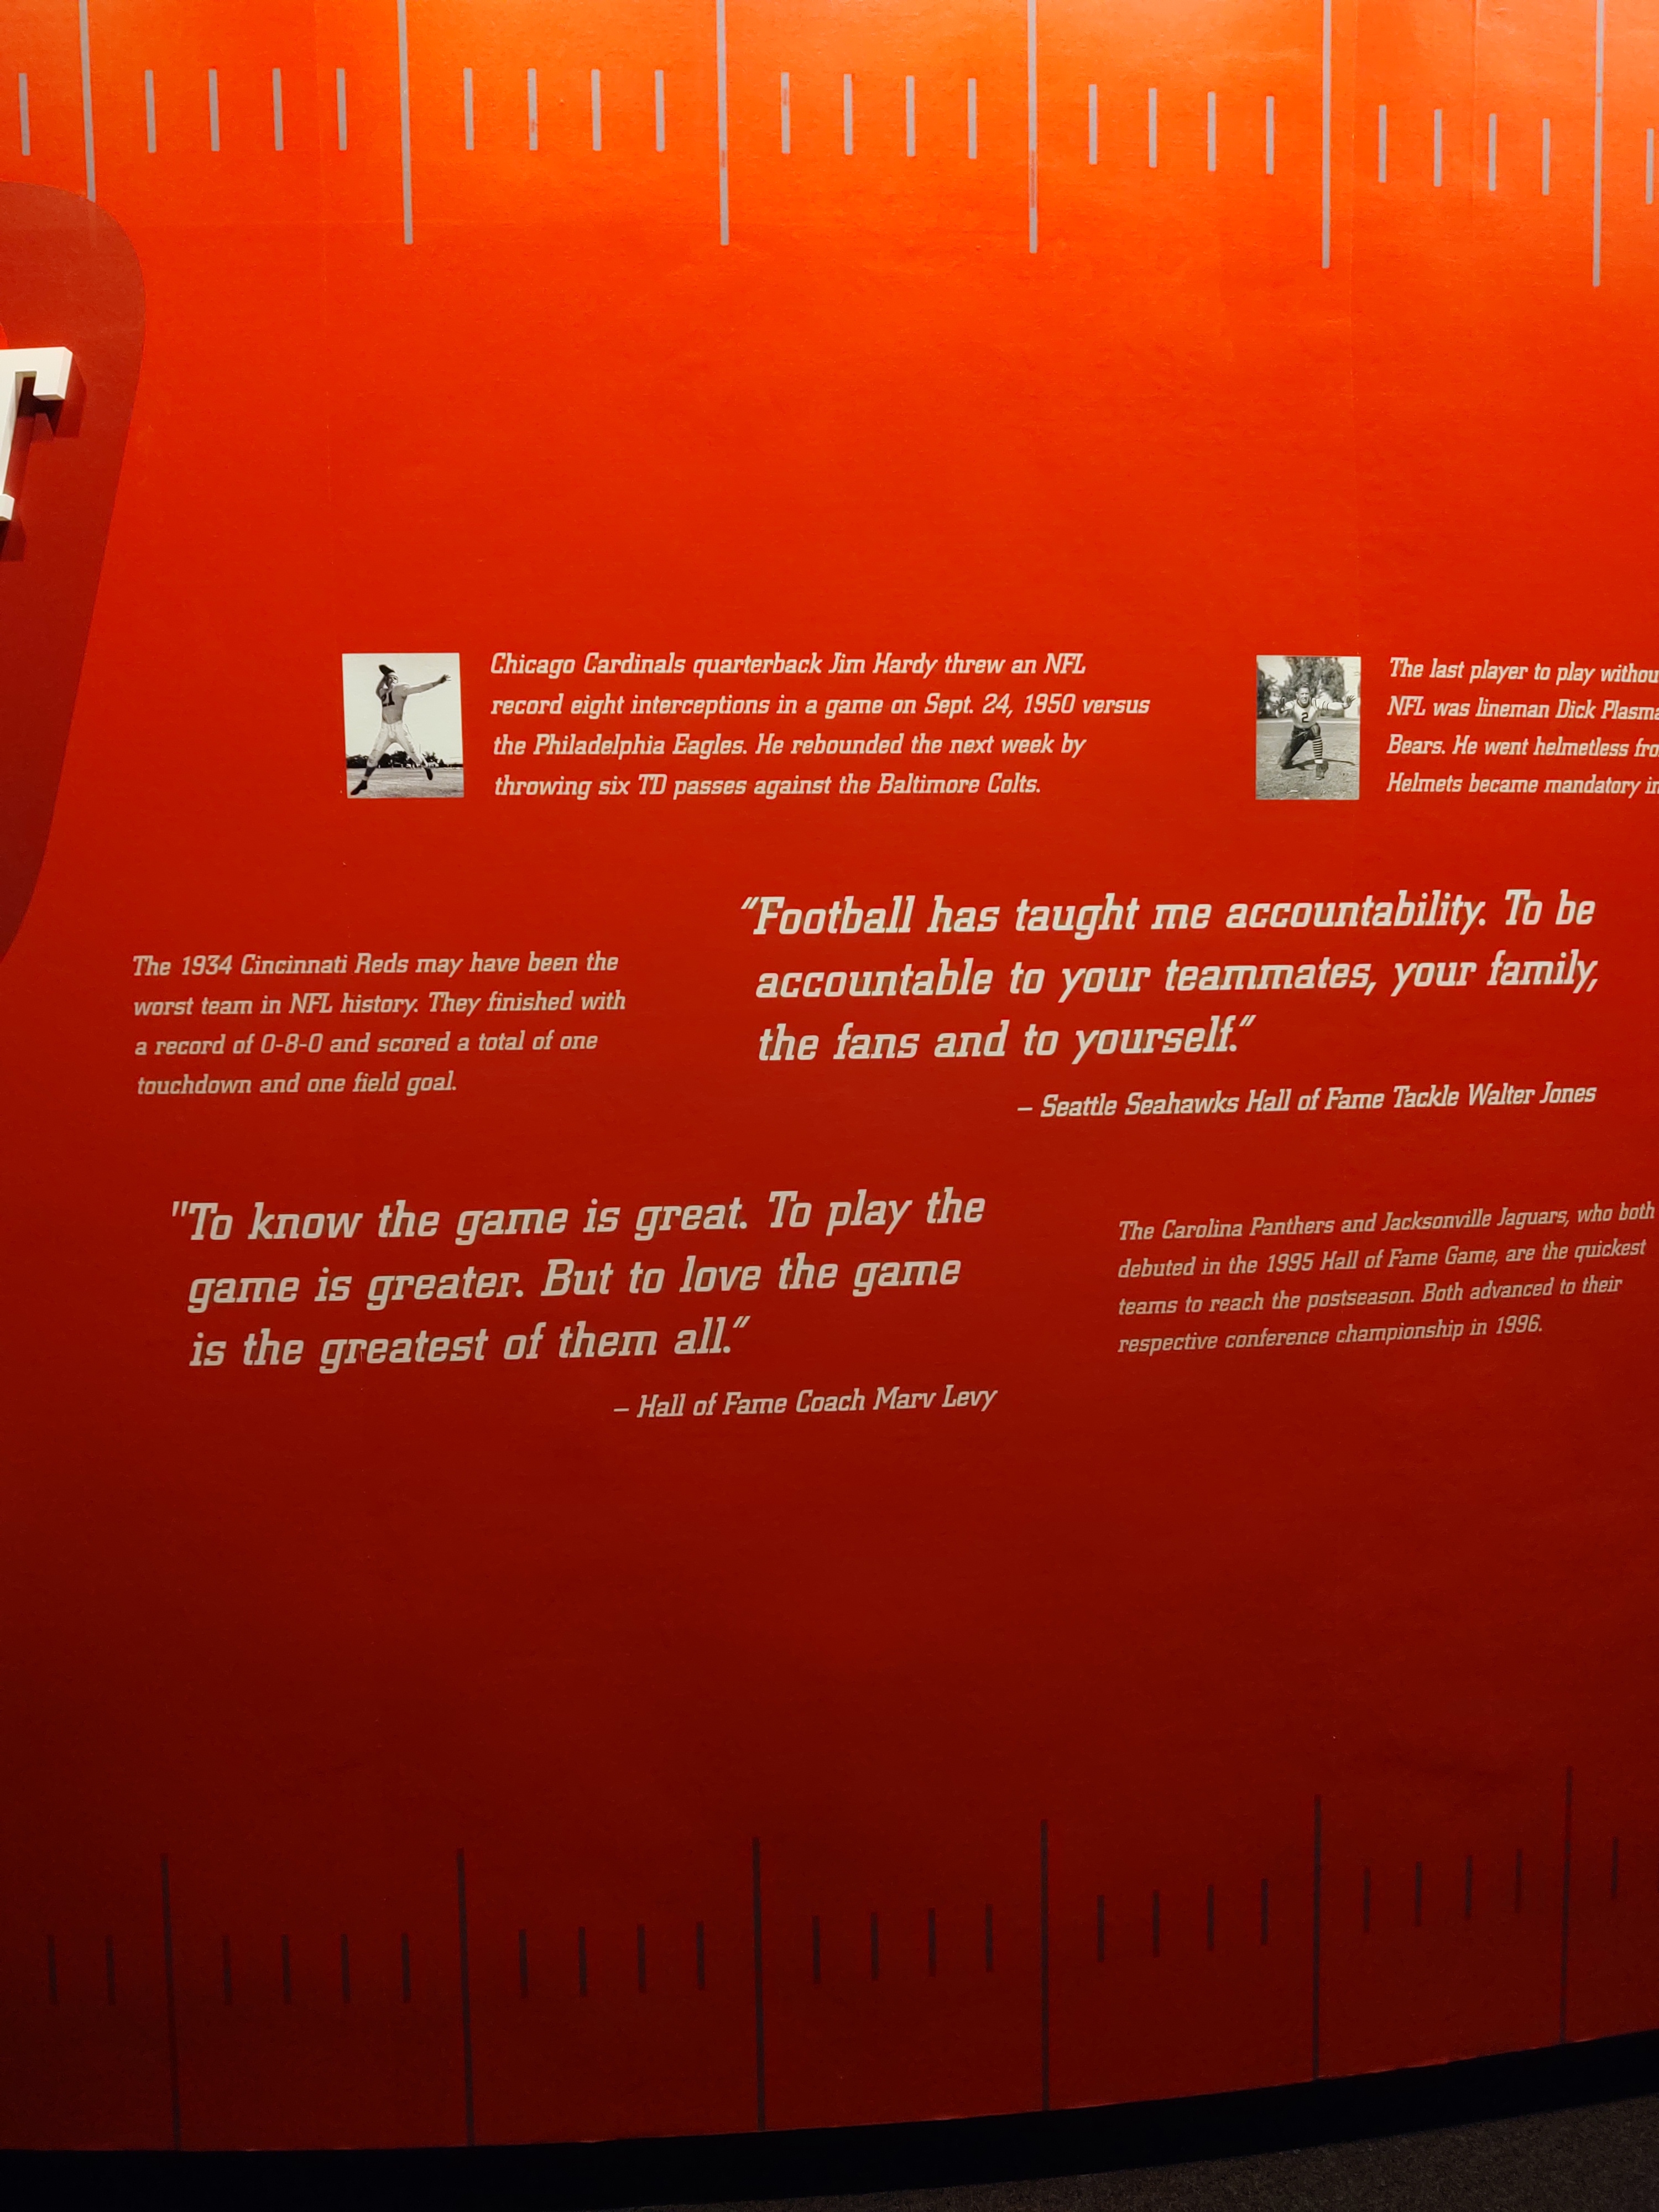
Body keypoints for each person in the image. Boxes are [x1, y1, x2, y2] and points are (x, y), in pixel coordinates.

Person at [351, 666, 449, 794]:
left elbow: (419, 689)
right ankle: (364, 782)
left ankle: (426, 766)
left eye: (394, 678)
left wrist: (438, 682)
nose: (391, 680)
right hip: (385, 729)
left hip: (399, 728)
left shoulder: (401, 688)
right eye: (389, 678)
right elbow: (378, 690)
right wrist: (385, 676)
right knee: (373, 756)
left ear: (397, 680)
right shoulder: (383, 692)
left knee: (414, 755)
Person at [1277, 677, 1353, 780]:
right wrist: (1280, 710)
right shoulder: (1293, 704)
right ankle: (1287, 761)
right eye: (1302, 694)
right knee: (1283, 763)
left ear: (1310, 694)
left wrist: (1344, 705)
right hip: (1298, 732)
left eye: (1307, 694)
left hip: (1311, 730)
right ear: (1297, 695)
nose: (1305, 696)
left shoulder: (1315, 702)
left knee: (1315, 729)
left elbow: (1331, 706)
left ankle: (1319, 766)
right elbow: (1281, 714)